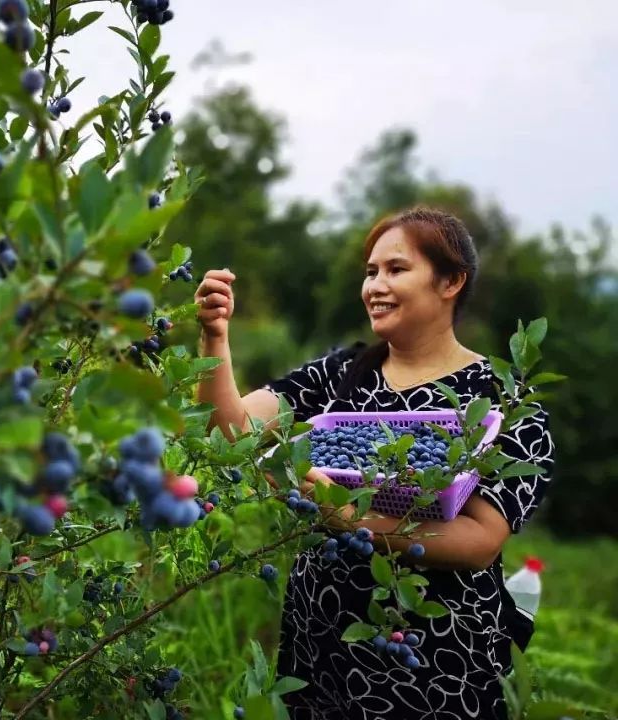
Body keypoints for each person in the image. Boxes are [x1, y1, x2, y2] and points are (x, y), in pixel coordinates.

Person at [195, 207, 555, 720]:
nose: (375, 286)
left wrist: (347, 519)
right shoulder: (342, 373)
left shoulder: (502, 401)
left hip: (436, 664)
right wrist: (214, 339)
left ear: (451, 281)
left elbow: (480, 543)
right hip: (321, 650)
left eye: (396, 269)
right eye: (370, 272)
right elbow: (227, 432)